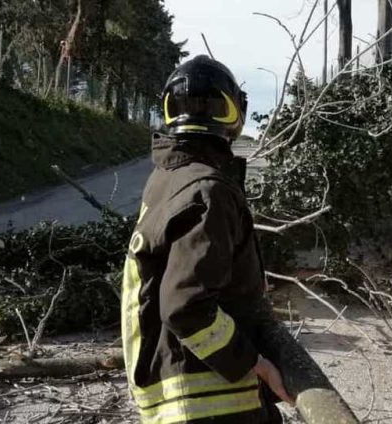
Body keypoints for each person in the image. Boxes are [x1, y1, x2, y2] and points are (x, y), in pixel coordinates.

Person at [121, 55, 294, 424]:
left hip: (175, 392)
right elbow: (185, 305)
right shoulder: (207, 190)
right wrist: (253, 362)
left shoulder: (166, 179)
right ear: (234, 114)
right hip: (209, 399)